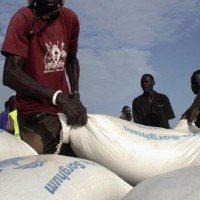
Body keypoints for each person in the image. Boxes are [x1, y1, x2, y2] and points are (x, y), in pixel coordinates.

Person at [1, 0, 87, 155]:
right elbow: (10, 74)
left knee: (84, 158)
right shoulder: (23, 18)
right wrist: (57, 96)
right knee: (41, 165)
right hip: (34, 111)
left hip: (65, 108)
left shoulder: (70, 19)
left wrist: (75, 94)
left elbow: (71, 60)